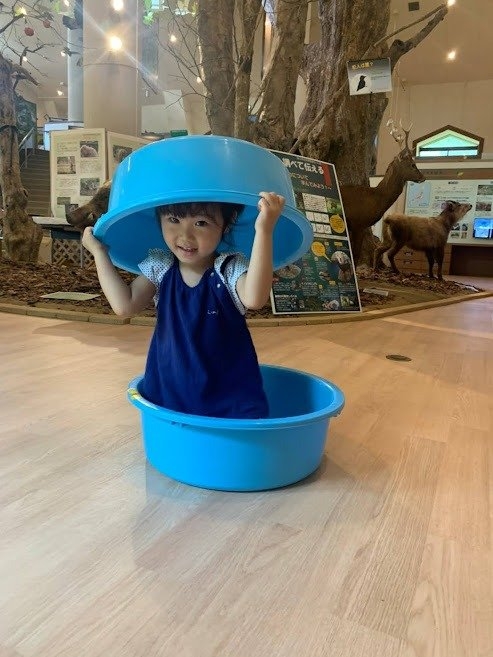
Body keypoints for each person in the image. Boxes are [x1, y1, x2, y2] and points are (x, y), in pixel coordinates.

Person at [82, 191, 285, 419]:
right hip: (169, 393)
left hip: (229, 399)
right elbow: (124, 305)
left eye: (201, 223)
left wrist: (264, 230)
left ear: (226, 226)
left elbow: (255, 298)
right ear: (159, 220)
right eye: (174, 219)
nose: (185, 236)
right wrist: (99, 252)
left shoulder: (228, 268)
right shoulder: (161, 266)